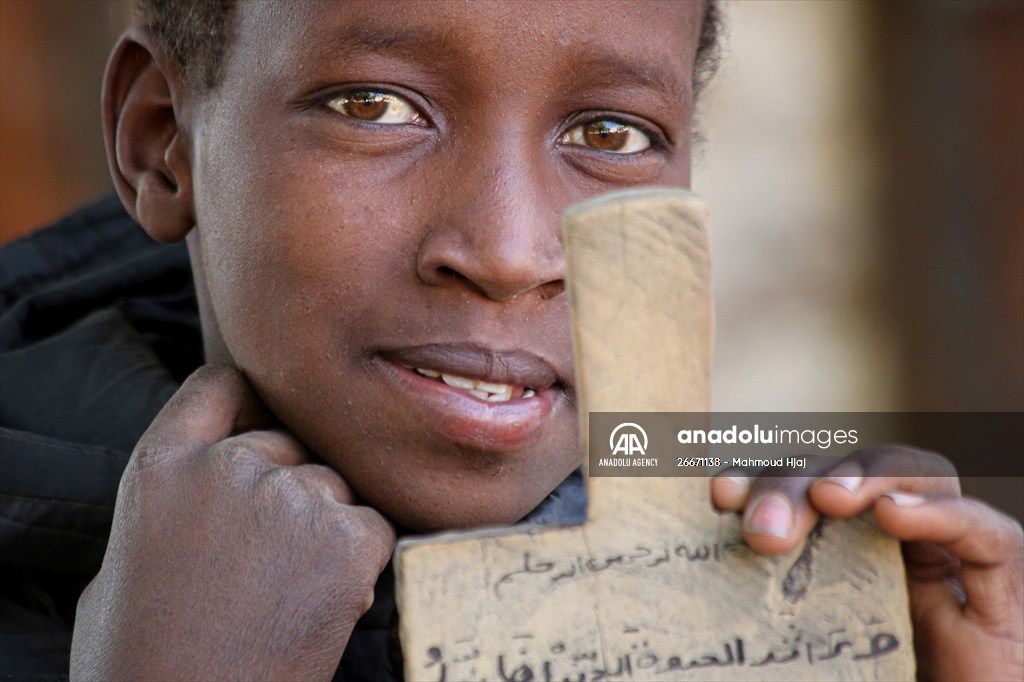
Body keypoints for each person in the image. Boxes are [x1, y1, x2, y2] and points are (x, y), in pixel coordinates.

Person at [0, 1, 1019, 680]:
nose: (507, 251)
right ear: (161, 141)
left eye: (610, 134)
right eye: (375, 107)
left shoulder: (757, 608)